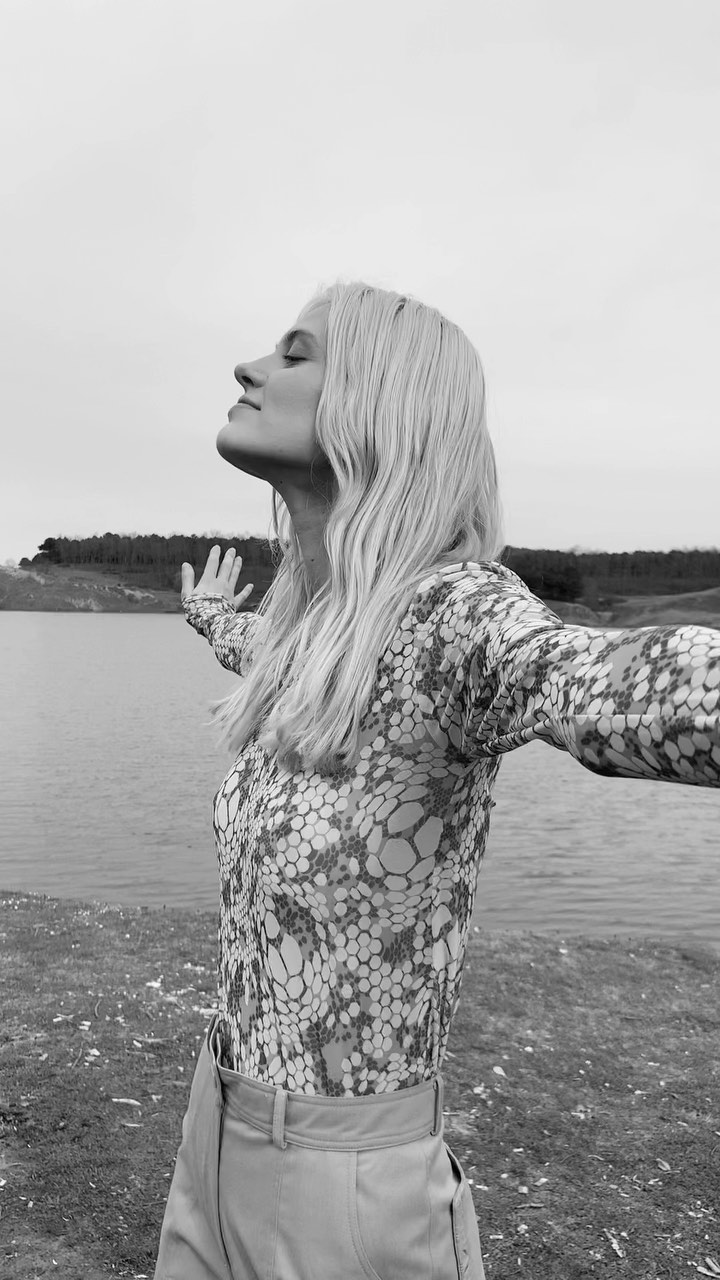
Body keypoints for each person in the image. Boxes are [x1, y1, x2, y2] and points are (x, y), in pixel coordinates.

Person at [154, 280, 720, 1280]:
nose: (252, 367)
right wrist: (205, 615)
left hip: (341, 1183)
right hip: (215, 1125)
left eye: (296, 352)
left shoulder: (454, 614)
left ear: (383, 403)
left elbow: (591, 678)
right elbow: (258, 651)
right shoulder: (317, 633)